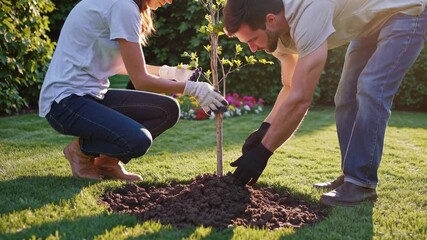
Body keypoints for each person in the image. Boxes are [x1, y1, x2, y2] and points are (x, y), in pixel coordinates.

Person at [223, 0, 426, 207]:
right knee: (346, 97)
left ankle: (362, 183)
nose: (253, 49)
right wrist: (265, 129)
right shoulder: (275, 32)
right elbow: (291, 87)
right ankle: (351, 177)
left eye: (253, 40)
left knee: (371, 88)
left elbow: (301, 99)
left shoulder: (309, 12)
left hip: (406, 11)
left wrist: (263, 152)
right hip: (371, 23)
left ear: (270, 20)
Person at [38, 0, 228, 182]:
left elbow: (127, 66)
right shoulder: (123, 6)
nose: (170, 1)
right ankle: (80, 150)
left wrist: (169, 72)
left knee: (168, 110)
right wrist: (193, 88)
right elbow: (141, 81)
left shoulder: (122, 5)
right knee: (138, 140)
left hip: (91, 95)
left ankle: (107, 162)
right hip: (64, 103)